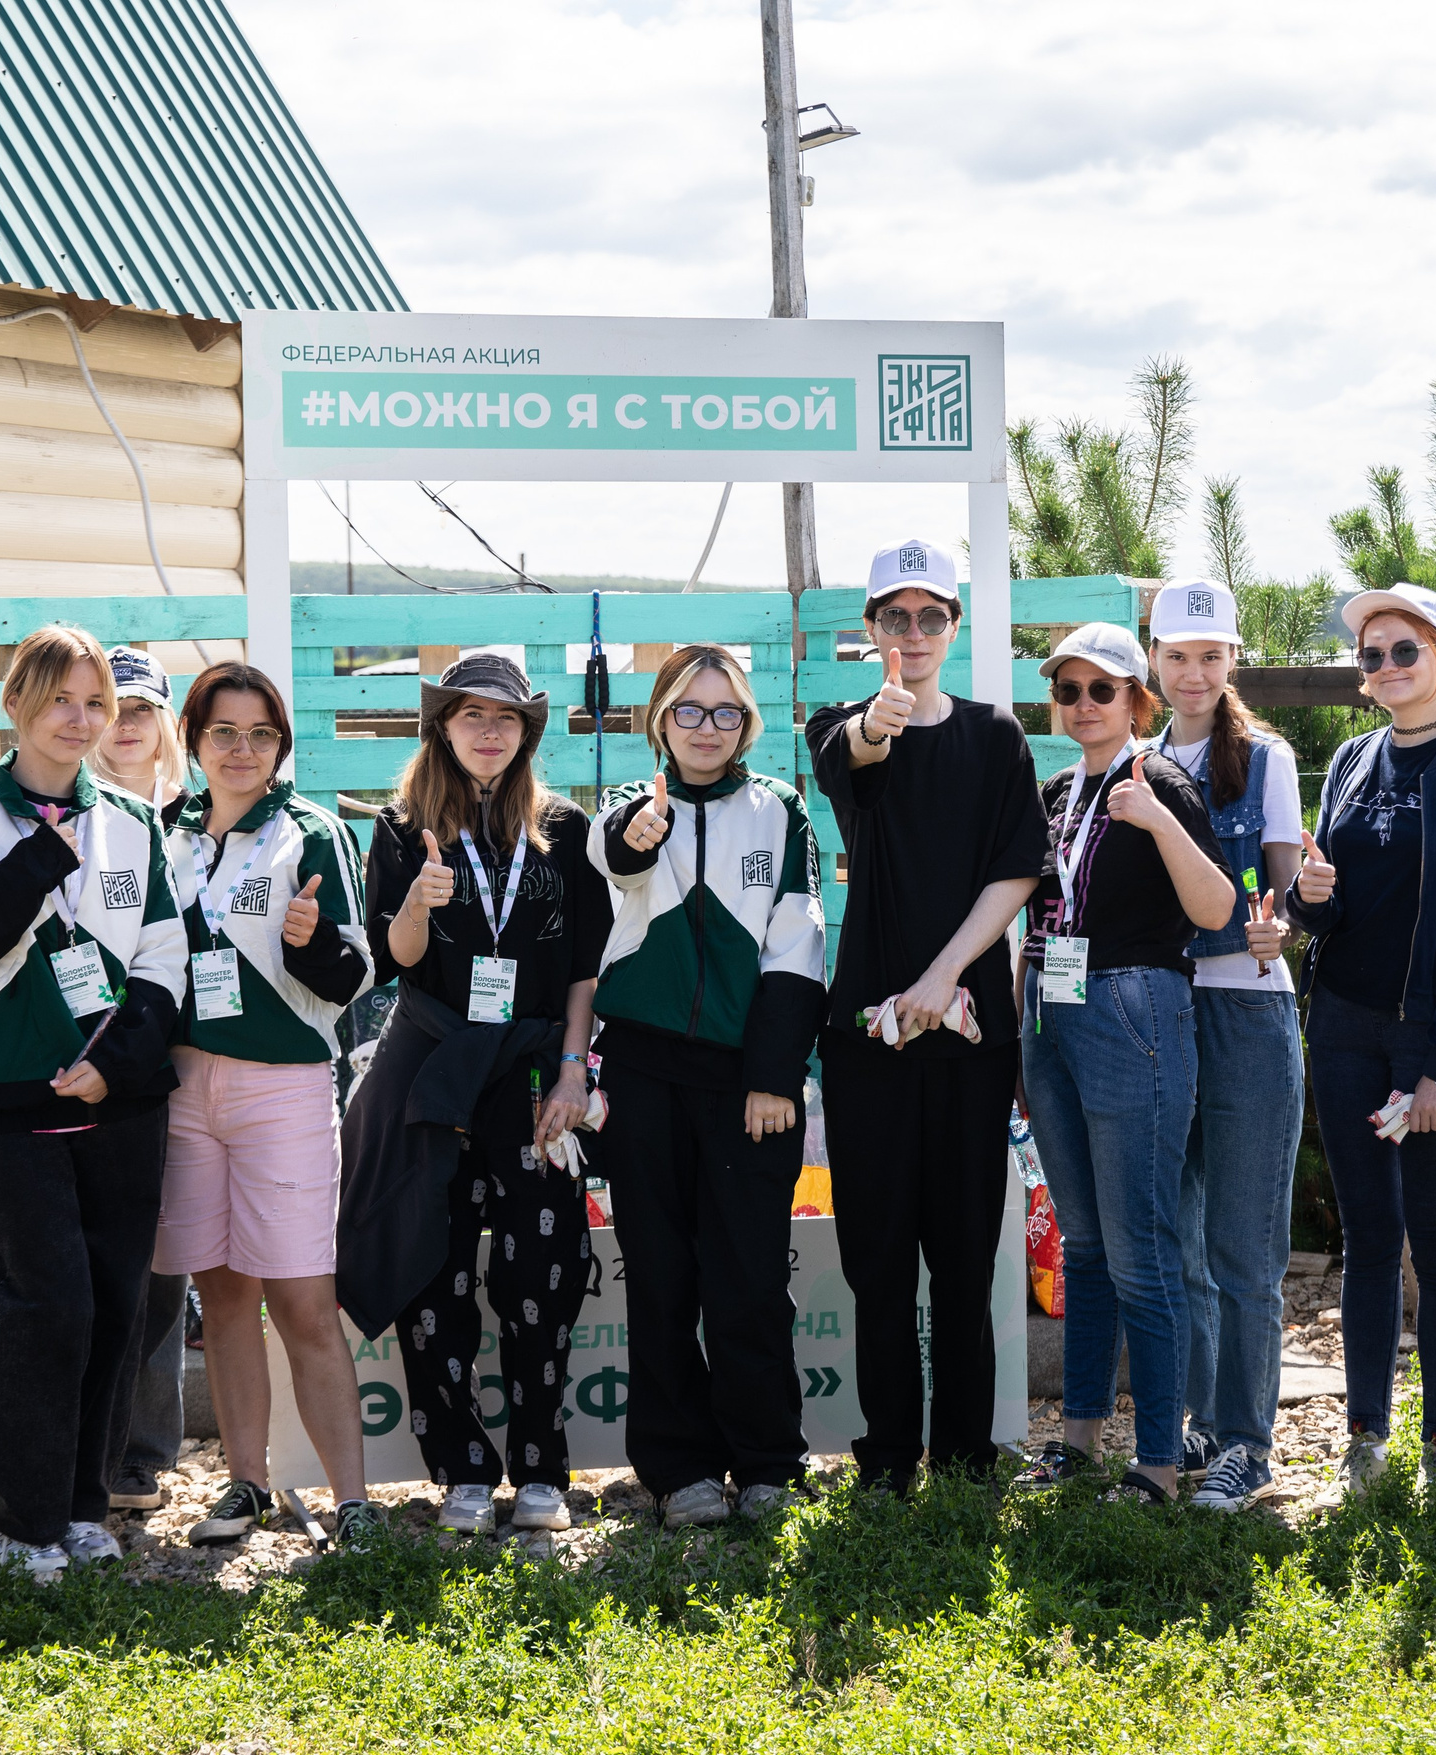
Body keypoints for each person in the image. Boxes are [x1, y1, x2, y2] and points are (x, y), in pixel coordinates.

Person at [0, 623, 186, 1581]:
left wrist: (118, 1062)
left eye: (96, 702)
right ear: (16, 704)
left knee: (116, 1303)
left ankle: (80, 1506)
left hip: (117, 1093)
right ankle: (16, 1522)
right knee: (50, 1299)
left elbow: (162, 962)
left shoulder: (135, 822)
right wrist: (36, 861)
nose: (81, 719)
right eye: (61, 699)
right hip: (4, 1094)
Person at [339, 654, 610, 1537]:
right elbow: (398, 959)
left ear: (526, 731)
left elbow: (581, 972)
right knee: (434, 1268)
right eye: (470, 715)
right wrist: (417, 899)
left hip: (532, 1068)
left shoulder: (564, 830)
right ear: (442, 727)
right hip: (434, 1065)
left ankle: (539, 1468)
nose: (488, 731)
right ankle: (458, 1469)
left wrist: (575, 1071)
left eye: (505, 717)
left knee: (542, 1266)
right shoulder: (399, 826)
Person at [805, 539, 1047, 1493]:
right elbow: (848, 754)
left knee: (960, 1252)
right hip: (868, 1036)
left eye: (930, 617)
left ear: (955, 625)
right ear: (871, 631)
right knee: (876, 1256)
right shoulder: (846, 724)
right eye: (894, 618)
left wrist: (947, 976)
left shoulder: (996, 737)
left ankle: (966, 1456)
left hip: (971, 1030)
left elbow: (1018, 868)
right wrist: (879, 720)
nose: (913, 634)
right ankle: (887, 1456)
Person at [1286, 582, 1436, 1502]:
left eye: (1403, 650)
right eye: (1371, 655)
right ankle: (1366, 1440)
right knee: (1370, 1238)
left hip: (1432, 1039)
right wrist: (1315, 897)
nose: (1384, 666)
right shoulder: (1350, 758)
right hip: (1343, 1028)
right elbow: (1341, 908)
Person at [587, 646, 827, 1525]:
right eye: (690, 710)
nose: (707, 728)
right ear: (660, 719)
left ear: (747, 724)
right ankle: (679, 1469)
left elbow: (798, 948)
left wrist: (773, 1077)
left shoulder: (781, 812)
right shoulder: (623, 810)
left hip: (745, 1085)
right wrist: (635, 835)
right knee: (659, 1277)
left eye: (726, 713)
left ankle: (768, 1462)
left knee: (751, 1279)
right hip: (644, 1075)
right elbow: (612, 857)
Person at [153, 662, 383, 1550]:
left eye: (259, 734)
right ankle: (246, 1482)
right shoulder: (164, 831)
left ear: (281, 744)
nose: (241, 750)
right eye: (223, 732)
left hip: (281, 1083)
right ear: (195, 739)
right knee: (222, 1287)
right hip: (182, 1085)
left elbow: (355, 974)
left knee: (302, 1300)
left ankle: (351, 1499)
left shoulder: (310, 833)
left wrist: (313, 940)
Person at [1010, 622, 1233, 1505]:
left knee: (1141, 1249)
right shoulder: (1059, 788)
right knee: (1088, 1246)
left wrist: (1155, 821)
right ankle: (1076, 1441)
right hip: (1054, 1013)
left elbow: (1216, 905)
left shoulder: (1161, 780)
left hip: (1133, 1007)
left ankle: (1158, 1462)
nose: (1083, 705)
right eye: (1067, 691)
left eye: (1102, 690)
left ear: (1137, 700)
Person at [1143, 578, 1307, 1512]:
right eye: (1177, 656)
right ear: (1155, 663)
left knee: (1245, 1248)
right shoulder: (1141, 760)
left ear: (1232, 660)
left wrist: (1282, 921)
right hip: (1164, 1011)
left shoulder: (1268, 759)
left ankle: (1249, 1440)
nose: (1195, 672)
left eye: (1211, 655)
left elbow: (1285, 889)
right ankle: (1201, 1422)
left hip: (1247, 1012)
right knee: (1180, 1244)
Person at [94, 644, 193, 1515]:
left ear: (166, 722)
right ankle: (80, 1436)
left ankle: (145, 1447)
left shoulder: (198, 818)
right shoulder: (71, 813)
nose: (126, 725)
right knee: (74, 1262)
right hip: (82, 1062)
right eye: (111, 707)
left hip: (182, 1064)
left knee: (163, 1265)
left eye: (141, 710)